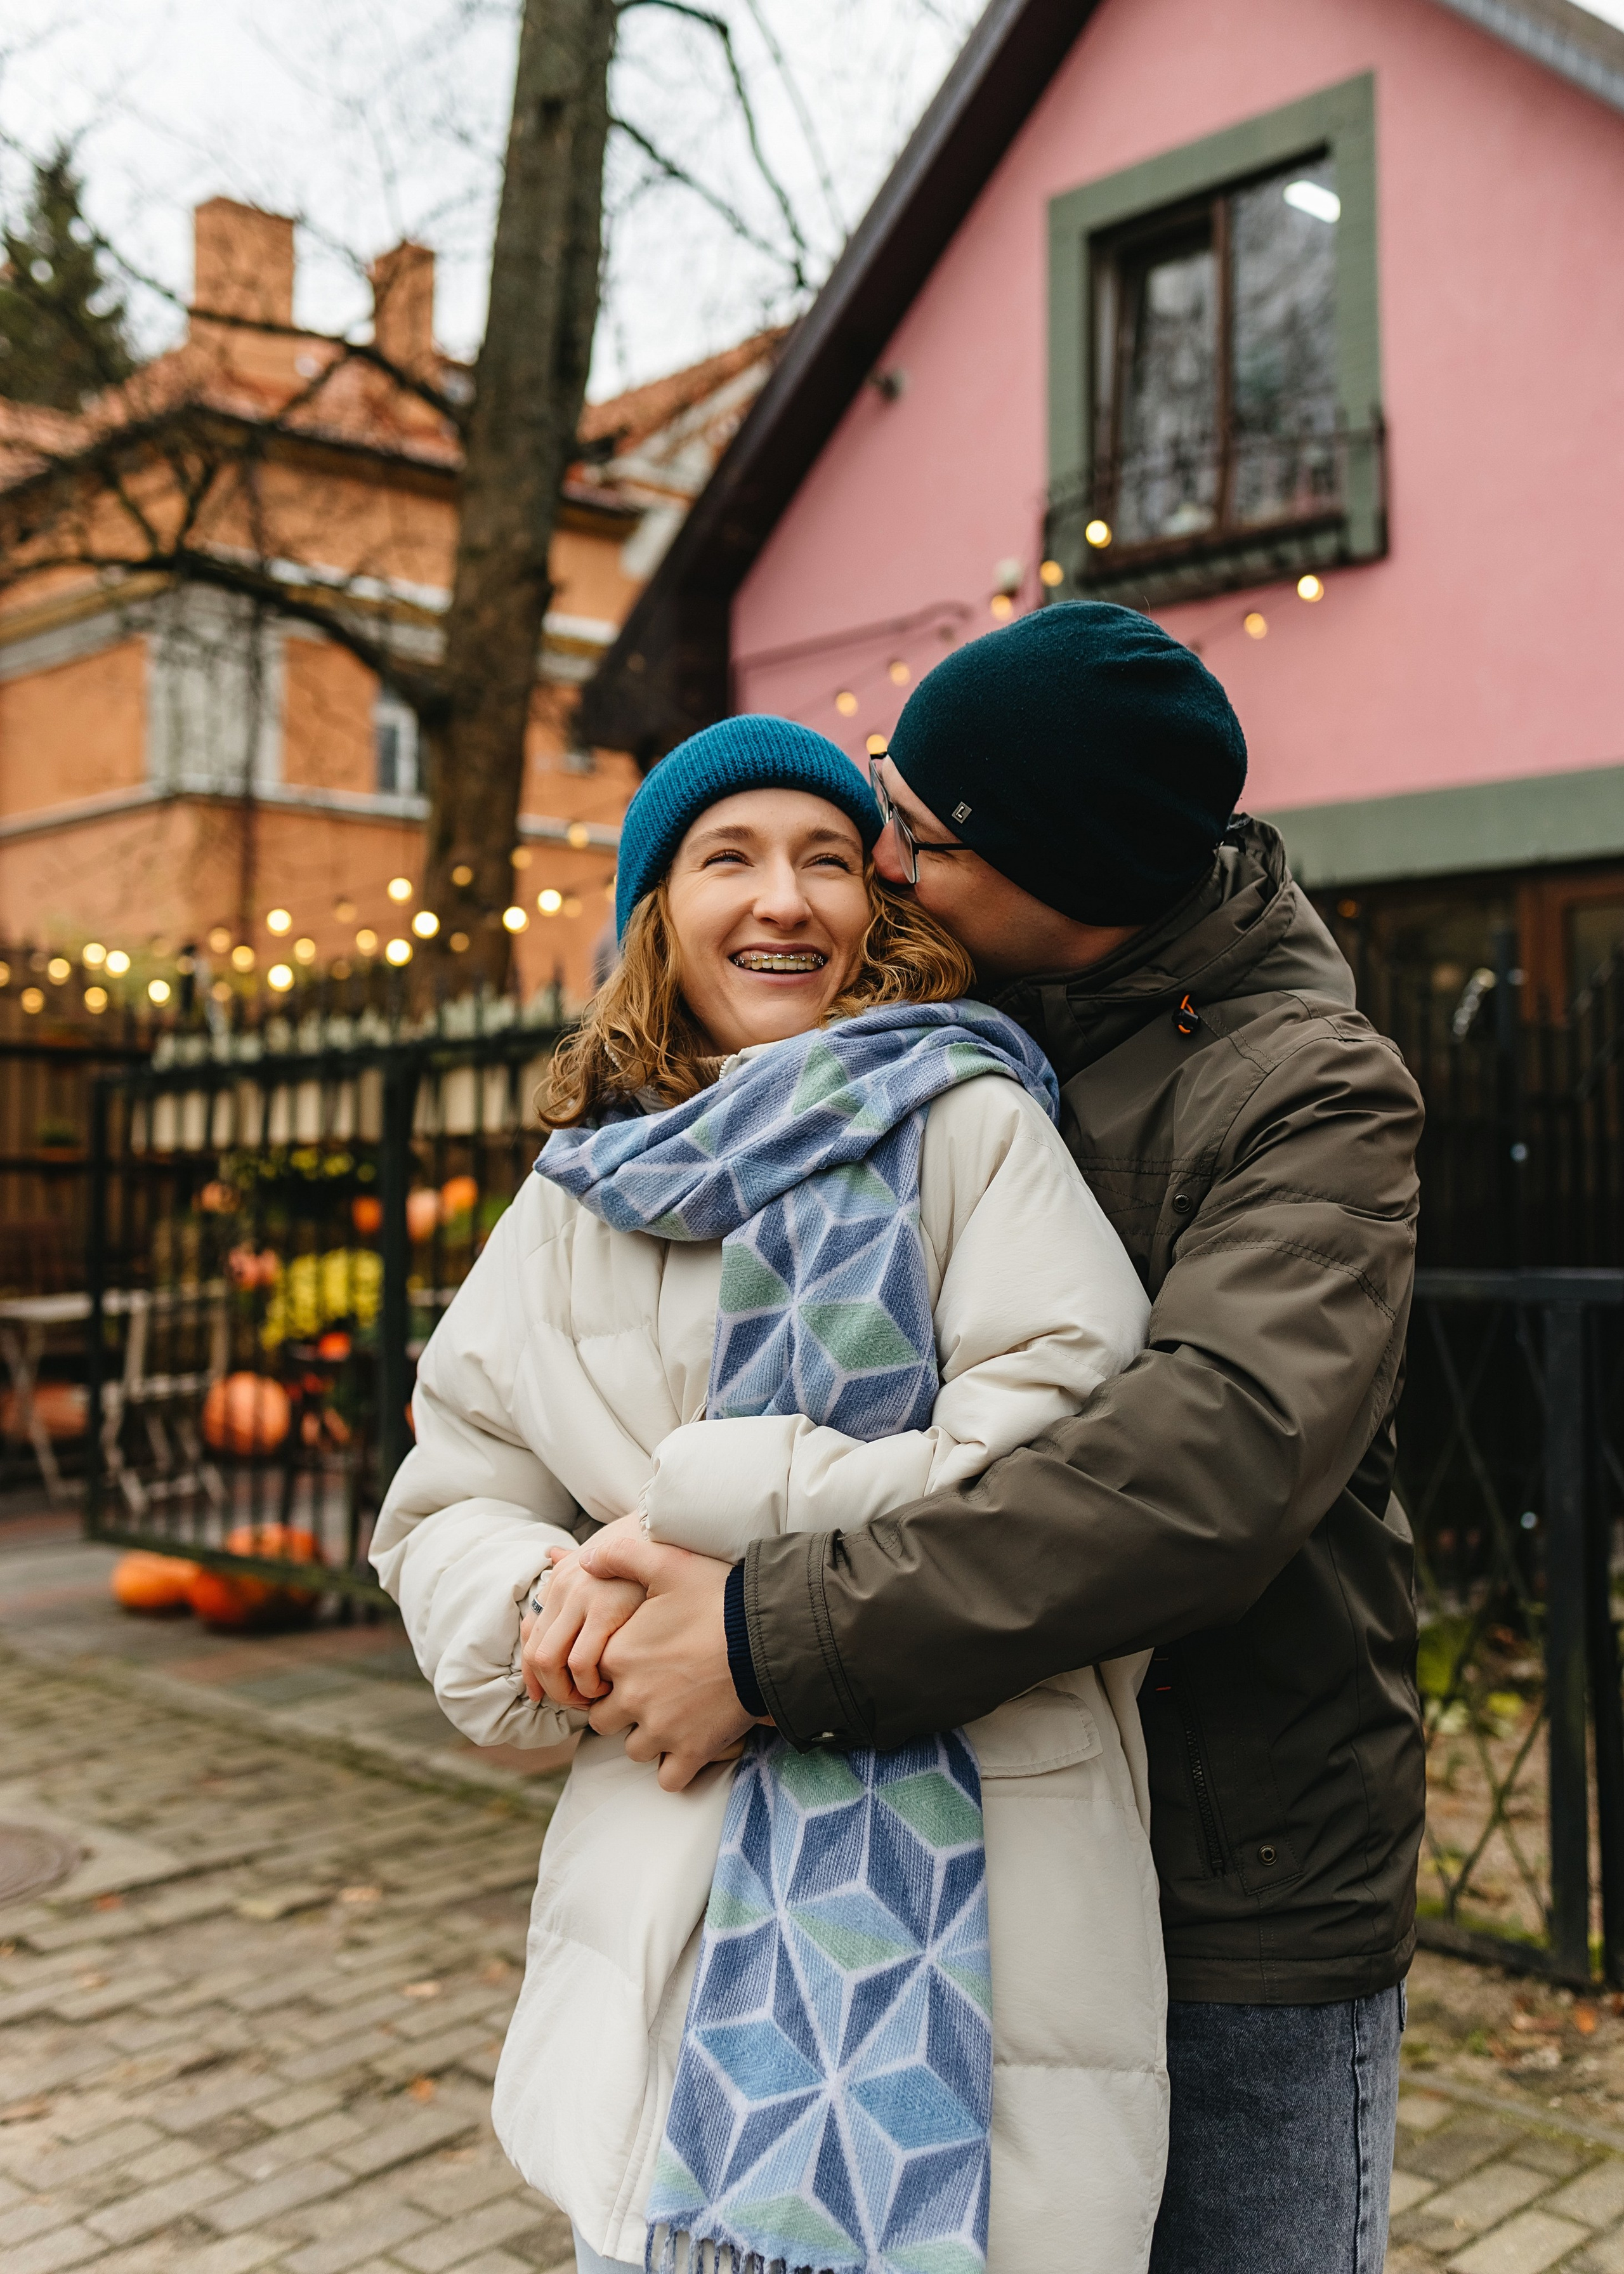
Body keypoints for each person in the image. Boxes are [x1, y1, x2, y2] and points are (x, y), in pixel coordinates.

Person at [553, 603, 1427, 2274]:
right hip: (979, 1834)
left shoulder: (1311, 1095)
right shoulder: (958, 1043)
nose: (883, 865)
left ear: (1069, 878)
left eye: (927, 839)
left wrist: (760, 1632)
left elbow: (1208, 1465)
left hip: (1226, 1882)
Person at [370, 714, 1170, 2274]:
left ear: (878, 908)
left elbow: (1069, 1457)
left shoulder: (969, 1119)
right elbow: (451, 1493)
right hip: (671, 1905)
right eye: (725, 858)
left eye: (825, 859)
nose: (783, 900)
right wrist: (555, 1607)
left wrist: (705, 1508)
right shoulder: (577, 1189)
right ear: (655, 914)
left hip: (980, 1891)